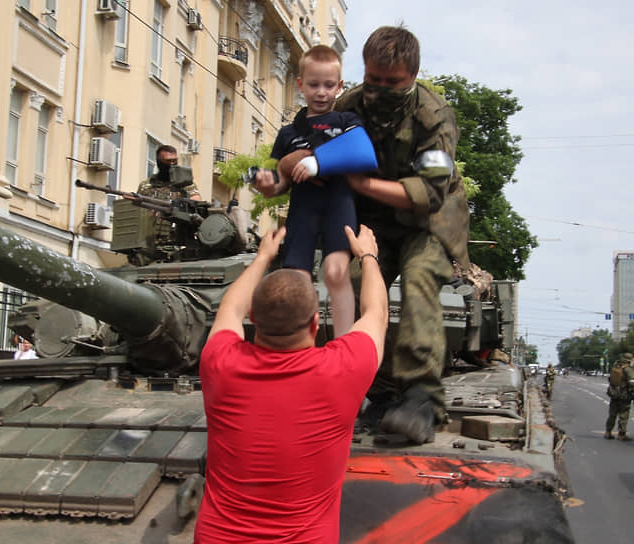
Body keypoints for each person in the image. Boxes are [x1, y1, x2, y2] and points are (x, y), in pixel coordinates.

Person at [317, 25, 470, 443]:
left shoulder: (434, 117)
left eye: (393, 83)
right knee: (352, 283)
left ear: (413, 77)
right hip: (374, 222)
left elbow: (431, 193)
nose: (381, 89)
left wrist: (362, 185)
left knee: (420, 278)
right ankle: (378, 391)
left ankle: (422, 396)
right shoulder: (347, 108)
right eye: (374, 80)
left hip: (429, 221)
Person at [194, 224, 387, 543]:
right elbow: (376, 312)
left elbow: (229, 308)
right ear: (314, 323)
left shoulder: (220, 363)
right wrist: (368, 255)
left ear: (253, 318)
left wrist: (262, 258)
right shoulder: (343, 369)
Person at [254, 45, 363, 338]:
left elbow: (362, 153)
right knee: (298, 281)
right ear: (300, 84)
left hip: (338, 203)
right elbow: (279, 182)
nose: (321, 92)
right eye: (314, 84)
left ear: (340, 86)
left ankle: (344, 345)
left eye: (329, 85)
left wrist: (319, 161)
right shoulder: (288, 133)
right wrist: (268, 186)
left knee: (336, 272)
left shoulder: (347, 122)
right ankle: (303, 347)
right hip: (303, 209)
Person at [137, 144, 202, 200]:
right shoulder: (146, 185)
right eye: (168, 161)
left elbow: (196, 200)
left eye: (174, 160)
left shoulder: (185, 183)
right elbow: (137, 206)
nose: (172, 164)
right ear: (159, 162)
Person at [605, 352, 634, 441]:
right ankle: (621, 435)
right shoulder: (628, 369)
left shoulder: (616, 367)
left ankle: (608, 432)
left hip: (614, 394)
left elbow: (610, 379)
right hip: (624, 396)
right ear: (630, 360)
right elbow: (632, 383)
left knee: (612, 414)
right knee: (623, 415)